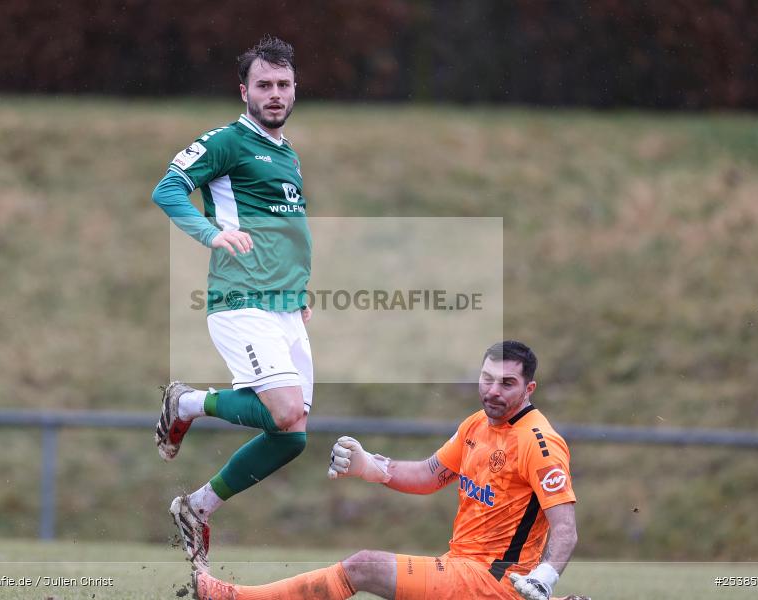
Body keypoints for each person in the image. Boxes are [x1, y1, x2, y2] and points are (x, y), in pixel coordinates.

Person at [192, 341, 588, 600]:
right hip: (460, 566)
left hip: (494, 581)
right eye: (487, 379)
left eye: (506, 383)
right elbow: (430, 476)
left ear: (528, 389)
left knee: (364, 566)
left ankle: (232, 598)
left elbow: (565, 528)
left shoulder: (540, 443)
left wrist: (546, 576)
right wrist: (372, 467)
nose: (492, 391)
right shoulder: (476, 425)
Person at [151, 35, 313, 570]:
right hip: (241, 300)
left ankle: (196, 507)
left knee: (291, 439)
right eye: (263, 85)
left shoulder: (286, 153)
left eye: (283, 85)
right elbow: (168, 188)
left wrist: (299, 289)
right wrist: (209, 234)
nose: (274, 94)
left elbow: (284, 229)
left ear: (295, 89)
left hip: (284, 306)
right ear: (243, 90)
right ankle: (187, 403)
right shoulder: (225, 141)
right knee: (284, 411)